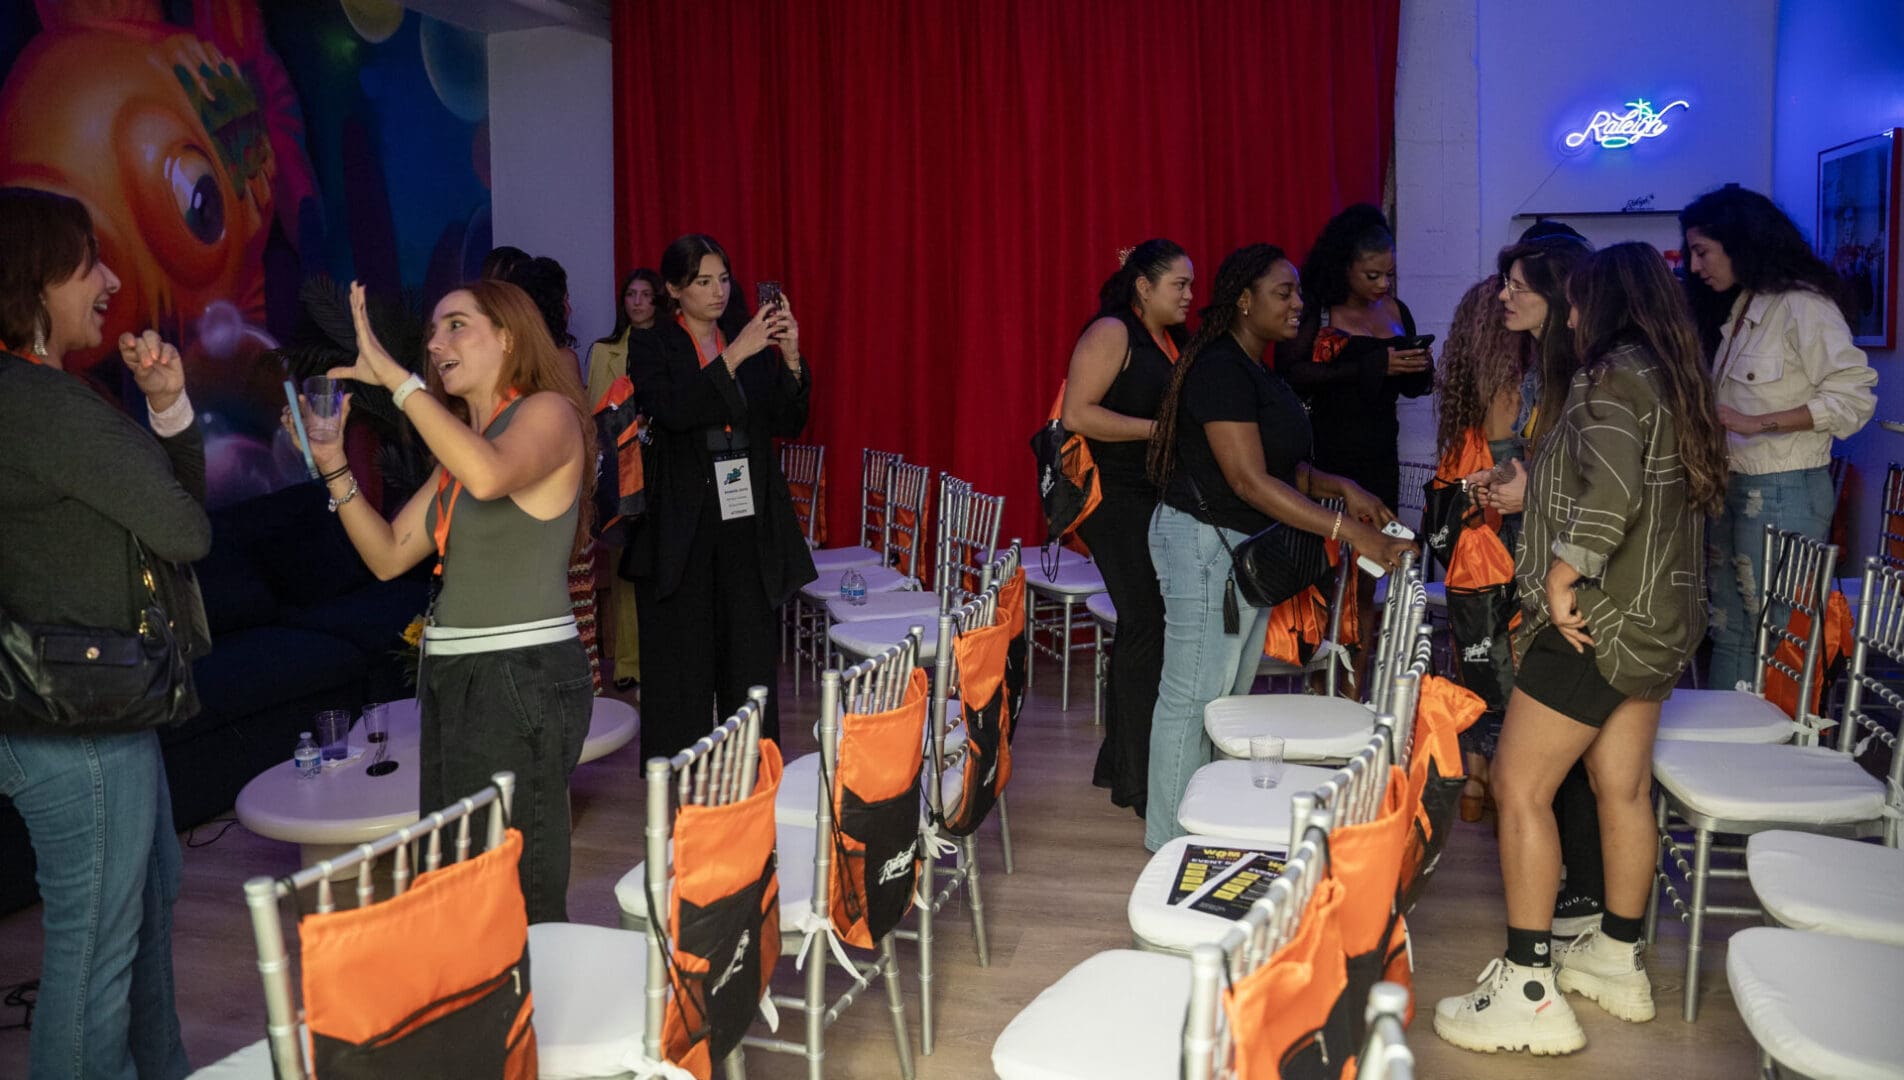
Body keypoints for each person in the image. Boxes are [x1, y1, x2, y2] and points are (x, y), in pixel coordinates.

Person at [1435, 243, 1729, 1055]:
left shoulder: (1609, 376)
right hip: (1660, 618)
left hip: (1595, 620)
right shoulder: (1669, 375)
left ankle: (1528, 987)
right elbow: (1626, 478)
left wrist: (1564, 574)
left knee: (1521, 790)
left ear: (1604, 304)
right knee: (1622, 788)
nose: (1566, 315)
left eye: (1574, 303)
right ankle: (1617, 959)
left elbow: (1613, 495)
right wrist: (1540, 489)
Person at [287, 277, 595, 924]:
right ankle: (482, 1019)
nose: (435, 341)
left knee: (516, 887)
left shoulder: (547, 414)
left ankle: (530, 1018)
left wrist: (397, 379)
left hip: (520, 674)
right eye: (431, 331)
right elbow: (389, 552)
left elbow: (489, 474)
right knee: (458, 879)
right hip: (457, 676)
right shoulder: (460, 451)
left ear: (510, 336)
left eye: (456, 324)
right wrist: (334, 462)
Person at [0, 186, 204, 1079]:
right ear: (38, 281)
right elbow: (187, 529)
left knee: (144, 911)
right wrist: (166, 415)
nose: (112, 280)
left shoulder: (37, 398)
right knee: (94, 963)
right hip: (81, 726)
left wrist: (163, 408)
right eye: (91, 264)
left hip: (61, 711)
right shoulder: (46, 406)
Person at [1142, 243, 1415, 852]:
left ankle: (1206, 824)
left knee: (1224, 701)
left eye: (1298, 293)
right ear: (1245, 301)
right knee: (1193, 699)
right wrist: (1349, 531)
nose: (1299, 305)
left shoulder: (1254, 368)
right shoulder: (1219, 368)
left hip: (1239, 548)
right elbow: (1247, 479)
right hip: (1204, 545)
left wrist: (1343, 487)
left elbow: (1279, 467)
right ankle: (1169, 843)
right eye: (1283, 293)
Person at [1465, 232, 1609, 936]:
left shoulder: (1586, 373)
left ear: (1559, 293)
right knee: (1565, 747)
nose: (1503, 296)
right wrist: (1509, 482)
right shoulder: (1543, 371)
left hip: (1575, 577)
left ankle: (1583, 896)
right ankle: (1582, 892)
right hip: (1544, 567)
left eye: (1518, 285)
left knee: (1561, 747)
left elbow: (1605, 492)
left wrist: (1529, 495)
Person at [1679, 186, 1877, 691]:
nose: (1695, 265)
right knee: (1730, 632)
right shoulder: (1744, 305)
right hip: (1732, 488)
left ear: (1739, 241)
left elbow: (1854, 397)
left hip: (1784, 489)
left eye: (1702, 251)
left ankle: (1780, 752)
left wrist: (1758, 423)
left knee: (1782, 639)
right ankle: (1726, 758)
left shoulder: (1803, 306)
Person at [626, 234, 814, 758]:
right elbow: (674, 411)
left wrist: (792, 358)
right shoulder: (653, 343)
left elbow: (786, 420)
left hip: (744, 514)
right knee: (681, 656)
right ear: (673, 289)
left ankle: (753, 764)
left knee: (749, 651)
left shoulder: (745, 337)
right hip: (681, 523)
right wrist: (735, 355)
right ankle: (680, 778)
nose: (718, 291)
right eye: (703, 281)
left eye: (724, 279)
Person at [1062, 238, 1192, 818]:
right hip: (1115, 500)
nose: (1190, 295)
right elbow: (1076, 414)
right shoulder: (1113, 331)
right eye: (1179, 285)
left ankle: (1120, 761)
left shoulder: (1168, 339)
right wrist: (1156, 431)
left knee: (1146, 628)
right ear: (1144, 286)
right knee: (1148, 623)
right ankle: (1137, 782)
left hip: (1151, 498)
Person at [1279, 205, 1434, 690]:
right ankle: (1310, 686)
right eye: (1372, 274)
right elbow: (1291, 373)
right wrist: (1372, 367)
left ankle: (1351, 690)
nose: (1383, 285)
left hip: (1377, 459)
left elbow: (1409, 389)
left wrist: (1416, 368)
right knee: (1323, 580)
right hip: (1325, 462)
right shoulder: (1318, 310)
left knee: (1368, 581)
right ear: (1343, 266)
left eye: (1389, 274)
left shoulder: (1396, 310)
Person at [1433, 272, 1529, 820]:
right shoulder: (1523, 389)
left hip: (1468, 543)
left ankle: (1474, 777)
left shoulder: (1470, 391)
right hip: (1507, 532)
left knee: (1477, 649)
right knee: (1512, 652)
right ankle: (1507, 780)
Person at [490, 253, 604, 692]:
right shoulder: (563, 359)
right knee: (573, 605)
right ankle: (580, 694)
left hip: (517, 501)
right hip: (563, 499)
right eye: (566, 296)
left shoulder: (506, 367)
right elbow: (584, 431)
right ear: (555, 304)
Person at [585, 268, 664, 693]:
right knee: (624, 565)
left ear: (658, 301)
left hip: (661, 465)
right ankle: (629, 661)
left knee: (663, 561)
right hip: (620, 470)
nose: (637, 302)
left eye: (645, 295)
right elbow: (594, 416)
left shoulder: (673, 345)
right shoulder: (603, 351)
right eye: (630, 294)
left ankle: (664, 654)